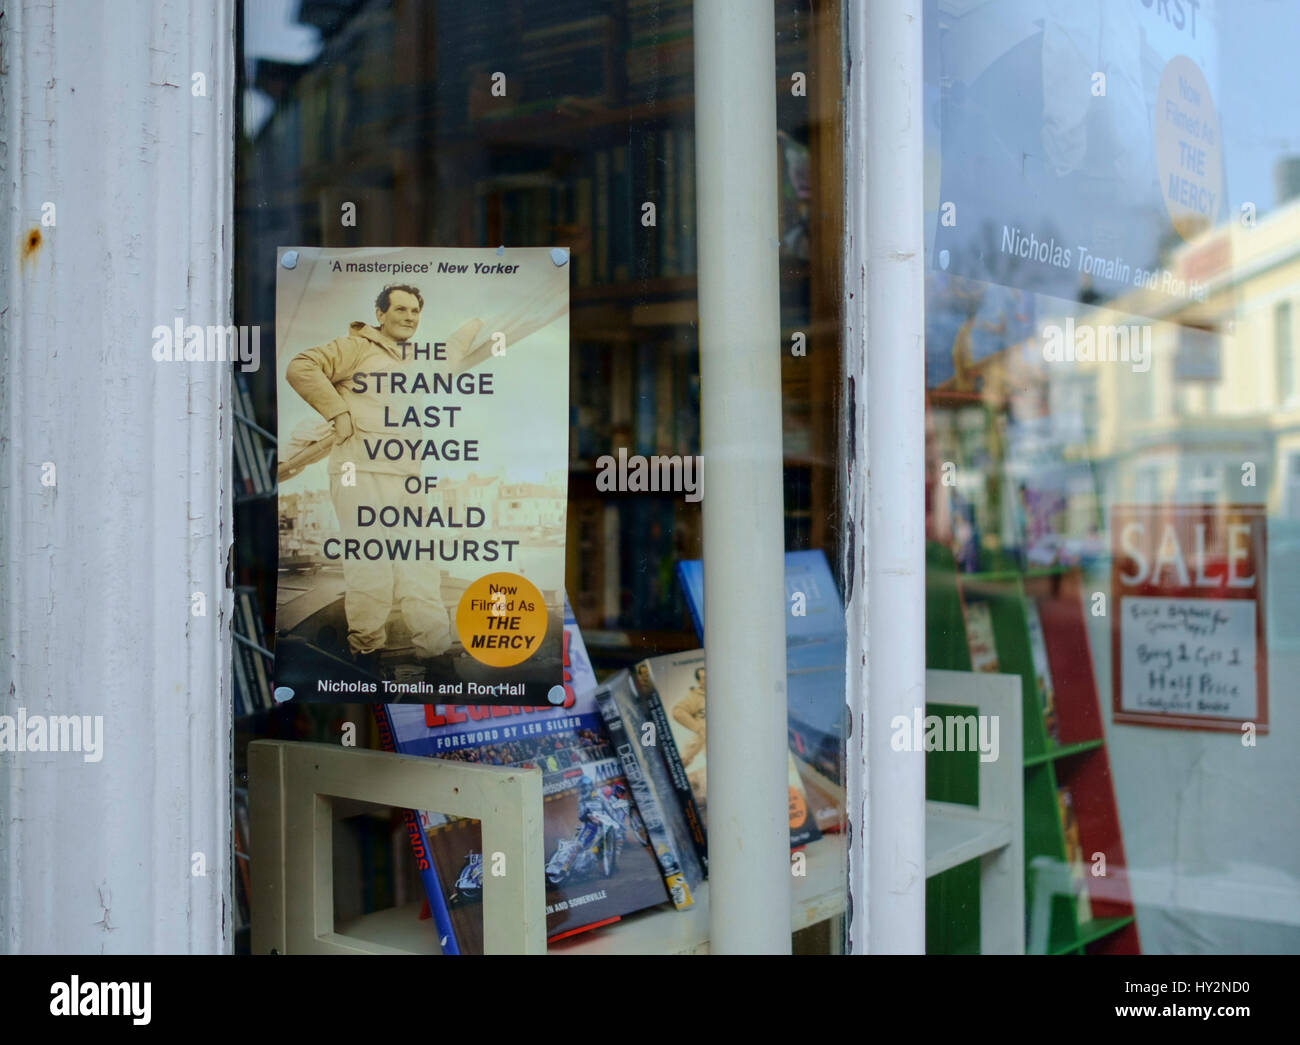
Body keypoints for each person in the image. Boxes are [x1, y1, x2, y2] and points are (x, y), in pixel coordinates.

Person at [286, 284, 470, 672]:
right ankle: (366, 655)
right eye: (400, 309)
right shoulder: (356, 349)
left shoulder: (416, 361)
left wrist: (480, 321)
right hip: (360, 471)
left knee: (420, 565)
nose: (408, 317)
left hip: (406, 478)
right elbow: (300, 366)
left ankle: (435, 657)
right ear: (380, 314)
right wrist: (338, 412)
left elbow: (449, 359)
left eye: (415, 311)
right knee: (370, 567)